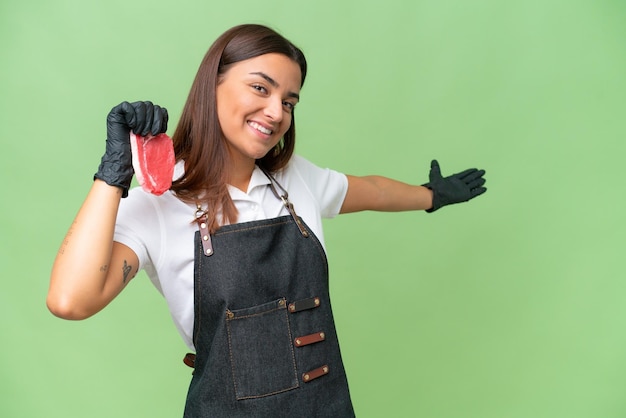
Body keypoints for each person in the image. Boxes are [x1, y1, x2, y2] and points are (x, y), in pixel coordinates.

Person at [48, 24, 487, 417]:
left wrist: (432, 196)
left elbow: (372, 190)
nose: (277, 112)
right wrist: (113, 173)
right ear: (212, 86)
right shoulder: (159, 204)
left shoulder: (295, 180)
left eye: (289, 101)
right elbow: (70, 300)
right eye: (261, 88)